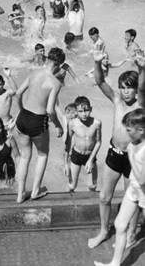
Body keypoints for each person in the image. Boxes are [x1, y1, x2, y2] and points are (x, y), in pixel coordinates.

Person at [88, 52, 145, 249]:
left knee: (133, 198)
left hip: (132, 159)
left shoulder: (141, 105)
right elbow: (100, 81)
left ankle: (130, 234)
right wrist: (96, 62)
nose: (124, 91)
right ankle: (104, 230)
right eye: (122, 87)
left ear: (135, 90)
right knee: (104, 196)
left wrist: (142, 68)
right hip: (114, 154)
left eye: (128, 87)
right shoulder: (117, 100)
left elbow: (143, 87)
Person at [94, 108, 145, 266]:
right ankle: (115, 264)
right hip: (134, 190)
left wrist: (130, 155)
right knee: (120, 224)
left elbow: (143, 179)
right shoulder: (135, 142)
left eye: (129, 130)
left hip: (143, 191)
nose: (127, 133)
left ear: (141, 130)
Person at [15, 47, 65, 203]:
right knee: (43, 154)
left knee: (24, 156)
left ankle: (20, 194)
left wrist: (21, 109)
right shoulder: (55, 83)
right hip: (38, 121)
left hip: (22, 118)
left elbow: (18, 93)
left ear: (48, 59)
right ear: (58, 64)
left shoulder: (34, 72)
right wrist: (58, 125)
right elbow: (50, 110)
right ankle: (35, 191)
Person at [66, 96, 102, 192]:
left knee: (92, 185)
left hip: (90, 155)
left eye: (86, 110)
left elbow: (98, 142)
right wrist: (66, 163)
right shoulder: (72, 124)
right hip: (76, 155)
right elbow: (67, 143)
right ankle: (69, 203)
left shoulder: (97, 123)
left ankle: (93, 205)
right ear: (76, 112)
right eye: (80, 111)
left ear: (91, 109)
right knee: (72, 186)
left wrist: (91, 160)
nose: (84, 114)